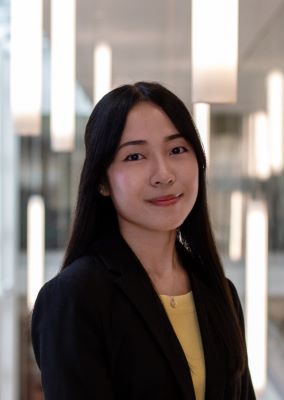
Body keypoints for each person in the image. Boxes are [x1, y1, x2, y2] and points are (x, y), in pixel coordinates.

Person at [31, 82, 256, 399]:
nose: (163, 174)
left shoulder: (220, 293)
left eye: (177, 150)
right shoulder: (74, 297)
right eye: (135, 156)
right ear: (101, 182)